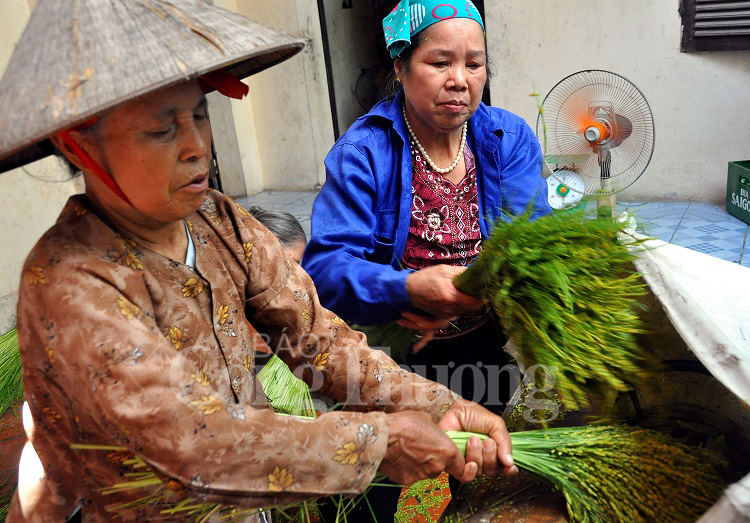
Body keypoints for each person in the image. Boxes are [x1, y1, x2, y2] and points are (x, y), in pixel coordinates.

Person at [0, 1, 517, 521]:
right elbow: (189, 441)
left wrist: (437, 405)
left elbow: (318, 340)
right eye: (162, 130)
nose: (197, 146)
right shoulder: (71, 279)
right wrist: (379, 442)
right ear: (80, 146)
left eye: (199, 115)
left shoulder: (218, 222)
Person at [303, 0, 552, 413]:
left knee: (482, 453)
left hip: (489, 340)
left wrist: (480, 291)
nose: (459, 81)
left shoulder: (509, 139)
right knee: (417, 466)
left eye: (474, 65)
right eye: (440, 63)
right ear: (400, 67)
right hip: (397, 355)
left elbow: (530, 243)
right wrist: (407, 289)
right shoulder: (364, 153)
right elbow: (326, 269)